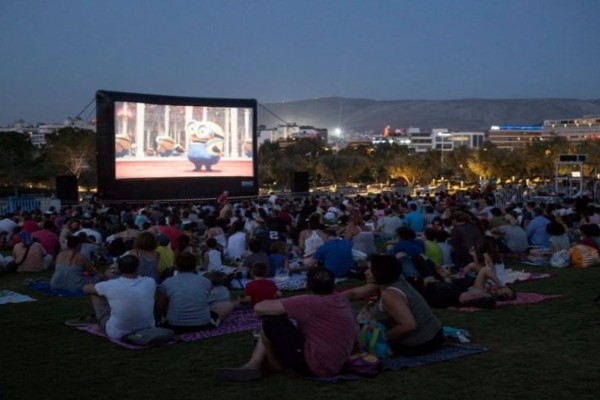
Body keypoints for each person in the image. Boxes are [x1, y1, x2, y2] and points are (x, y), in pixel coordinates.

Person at [215, 268, 358, 381]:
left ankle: (259, 364)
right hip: (337, 362)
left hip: (317, 366)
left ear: (307, 285)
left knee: (271, 320)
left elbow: (260, 307)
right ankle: (260, 362)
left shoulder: (308, 302)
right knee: (279, 318)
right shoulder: (340, 299)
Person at [343, 254, 444, 356]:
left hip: (421, 343)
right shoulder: (393, 278)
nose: (366, 272)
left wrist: (380, 337)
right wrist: (330, 299)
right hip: (435, 334)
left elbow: (408, 326)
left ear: (381, 272)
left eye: (370, 269)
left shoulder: (390, 294)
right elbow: (354, 294)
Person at [78, 255, 156, 340]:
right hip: (147, 327)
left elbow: (86, 289)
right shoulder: (150, 282)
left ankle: (99, 319)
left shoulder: (111, 285)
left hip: (117, 332)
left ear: (119, 268)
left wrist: (105, 278)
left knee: (95, 294)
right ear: (138, 268)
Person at [156, 253, 234, 334]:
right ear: (195, 265)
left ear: (176, 266)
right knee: (228, 304)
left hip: (174, 324)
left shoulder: (168, 282)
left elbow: (159, 307)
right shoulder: (205, 281)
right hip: (202, 323)